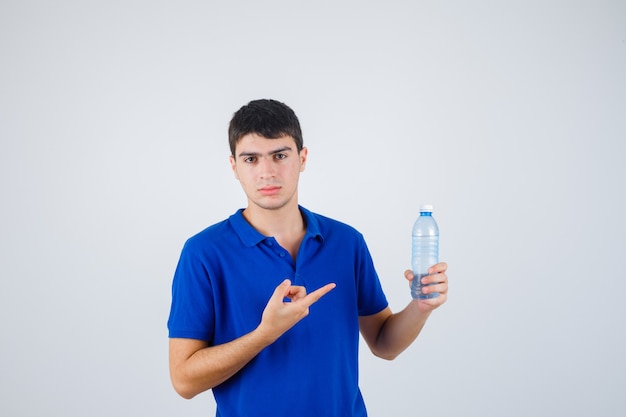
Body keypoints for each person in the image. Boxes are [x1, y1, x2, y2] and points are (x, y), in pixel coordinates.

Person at [167, 99, 448, 417]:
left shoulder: (346, 242)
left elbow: (384, 343)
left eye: (280, 155)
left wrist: (420, 307)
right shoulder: (204, 253)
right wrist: (265, 334)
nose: (267, 172)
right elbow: (184, 380)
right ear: (234, 166)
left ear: (302, 158)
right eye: (251, 159)